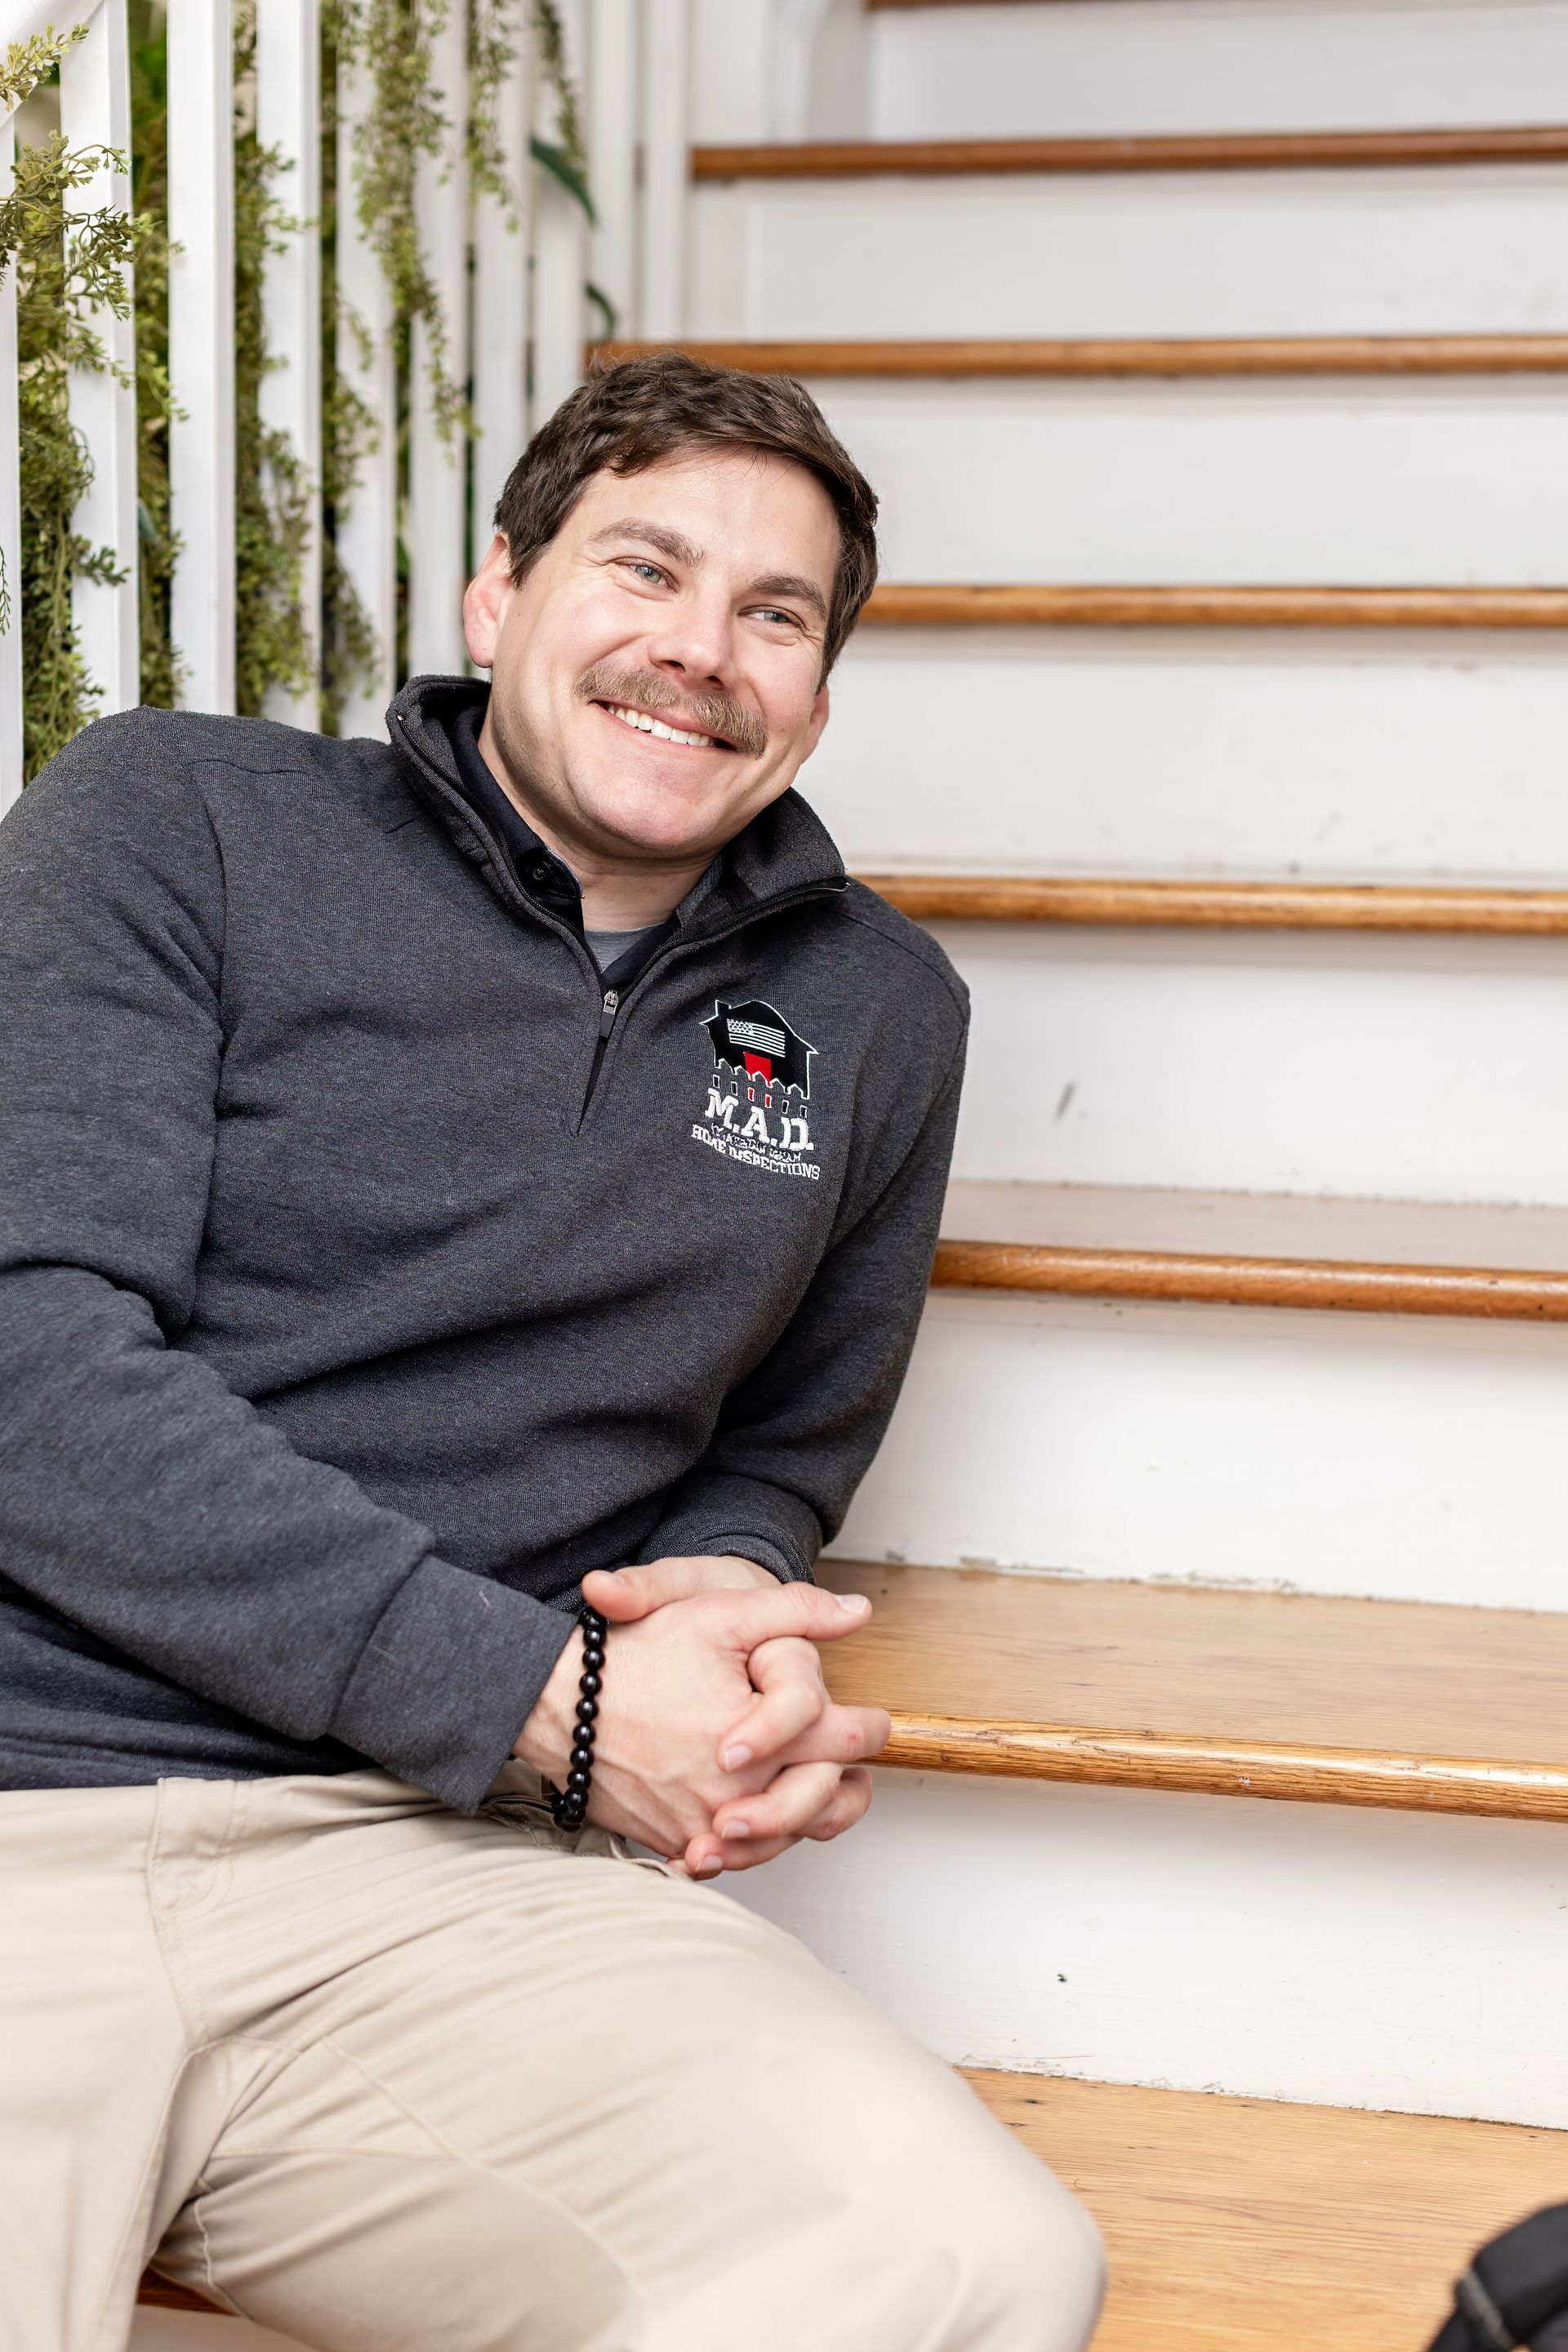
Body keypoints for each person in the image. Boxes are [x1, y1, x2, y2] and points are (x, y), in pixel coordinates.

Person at [0, 353, 1105, 2351]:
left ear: (820, 694)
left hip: (439, 1882)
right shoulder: (180, 818)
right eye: (645, 570)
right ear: (500, 591)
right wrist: (549, 1700)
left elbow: (784, 1442)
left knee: (966, 2263)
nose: (702, 653)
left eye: (776, 615)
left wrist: (733, 1616)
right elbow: (30, 1367)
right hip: (29, 1804)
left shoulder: (882, 1012)